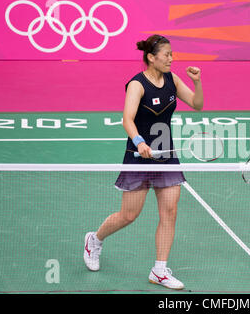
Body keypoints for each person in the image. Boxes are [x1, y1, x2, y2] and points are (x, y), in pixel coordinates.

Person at [83, 34, 203, 289]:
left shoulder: (173, 79)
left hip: (166, 154)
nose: (171, 58)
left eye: (172, 54)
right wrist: (139, 142)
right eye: (166, 54)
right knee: (129, 215)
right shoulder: (137, 85)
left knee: (169, 212)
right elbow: (127, 118)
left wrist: (198, 82)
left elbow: (197, 104)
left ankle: (159, 270)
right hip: (139, 155)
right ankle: (94, 239)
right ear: (151, 57)